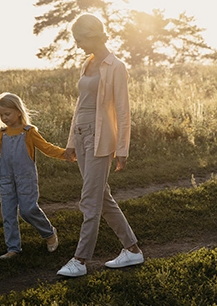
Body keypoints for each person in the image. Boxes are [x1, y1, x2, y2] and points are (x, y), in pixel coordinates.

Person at [57, 14, 143, 277]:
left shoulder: (116, 66)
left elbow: (122, 111)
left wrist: (123, 149)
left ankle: (80, 260)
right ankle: (132, 250)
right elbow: (80, 105)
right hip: (82, 136)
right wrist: (72, 141)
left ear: (92, 35)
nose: (78, 44)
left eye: (79, 38)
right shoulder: (87, 63)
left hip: (100, 138)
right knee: (101, 197)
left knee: (90, 201)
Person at [0, 92, 65, 259]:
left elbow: (47, 148)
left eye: (7, 114)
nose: (4, 118)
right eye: (1, 115)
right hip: (6, 179)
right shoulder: (0, 134)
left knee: (28, 210)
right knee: (8, 213)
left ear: (18, 111)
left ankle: (49, 233)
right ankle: (13, 248)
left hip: (26, 178)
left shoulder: (29, 132)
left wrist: (66, 154)